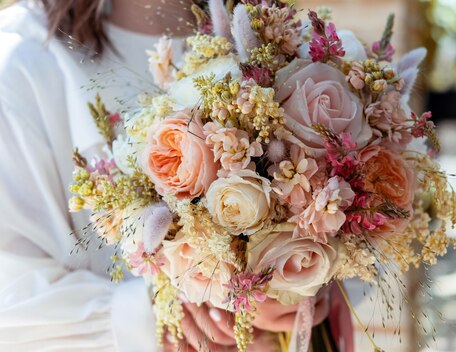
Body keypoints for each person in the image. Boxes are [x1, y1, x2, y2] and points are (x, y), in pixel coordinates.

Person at [0, 1, 352, 351]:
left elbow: (357, 253)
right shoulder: (23, 61)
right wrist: (158, 315)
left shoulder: (293, 47)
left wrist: (305, 279)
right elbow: (11, 299)